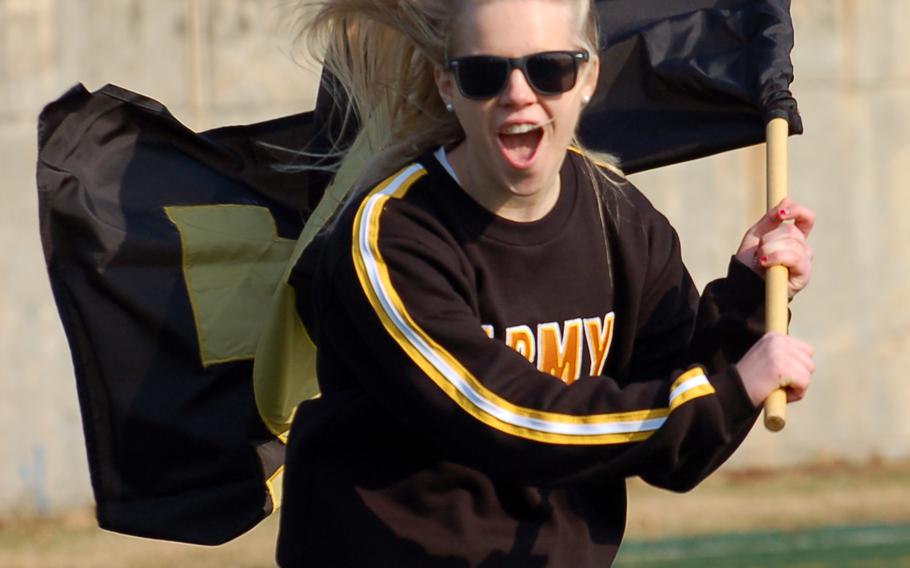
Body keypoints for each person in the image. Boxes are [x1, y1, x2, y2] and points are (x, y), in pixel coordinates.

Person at [276, 0, 816, 565]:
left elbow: (678, 451)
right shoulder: (390, 234)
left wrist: (751, 301)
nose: (518, 93)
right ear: (447, 85)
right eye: (485, 73)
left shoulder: (622, 220)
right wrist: (726, 392)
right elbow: (503, 418)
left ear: (588, 77)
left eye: (550, 68)